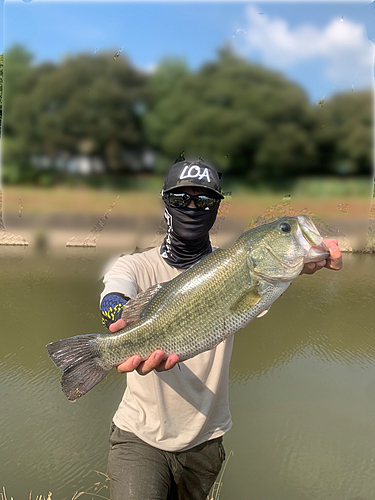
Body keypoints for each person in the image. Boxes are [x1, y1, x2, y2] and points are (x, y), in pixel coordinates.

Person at [100, 159, 342, 500]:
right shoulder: (136, 264)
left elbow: (258, 292)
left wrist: (302, 262)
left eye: (205, 201)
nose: (193, 207)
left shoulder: (237, 268)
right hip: (138, 436)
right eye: (182, 198)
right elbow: (116, 292)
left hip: (205, 440)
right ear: (166, 202)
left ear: (216, 210)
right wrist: (114, 313)